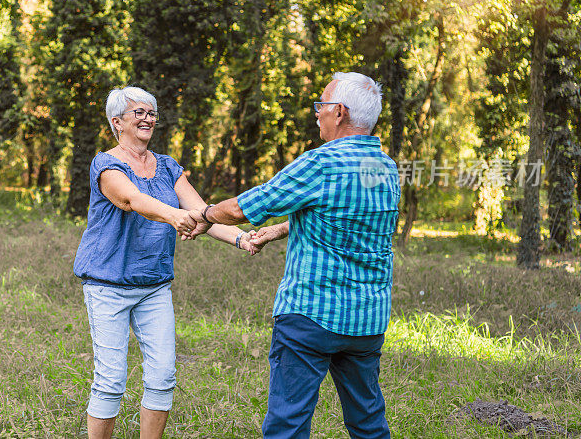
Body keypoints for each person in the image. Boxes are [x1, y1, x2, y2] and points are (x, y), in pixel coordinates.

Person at [187, 72, 400, 439]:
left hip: (311, 316)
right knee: (368, 423)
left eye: (322, 105)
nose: (316, 113)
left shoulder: (320, 163)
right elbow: (346, 215)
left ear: (340, 112)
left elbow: (244, 209)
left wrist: (205, 214)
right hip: (367, 319)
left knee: (288, 424)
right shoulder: (386, 168)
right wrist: (284, 228)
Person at [73, 86, 257, 439]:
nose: (147, 119)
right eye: (139, 112)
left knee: (162, 376)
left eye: (151, 113)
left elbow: (200, 212)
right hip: (107, 284)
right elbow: (131, 199)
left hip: (154, 286)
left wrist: (240, 237)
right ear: (117, 122)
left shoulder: (168, 166)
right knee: (110, 381)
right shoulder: (105, 163)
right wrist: (175, 216)